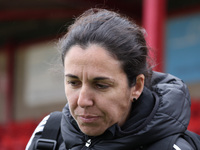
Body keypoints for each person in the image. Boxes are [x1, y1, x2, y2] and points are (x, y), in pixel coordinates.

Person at [26, 8, 199, 150]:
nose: (83, 100)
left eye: (101, 85)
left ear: (137, 86)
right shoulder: (47, 135)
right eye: (73, 82)